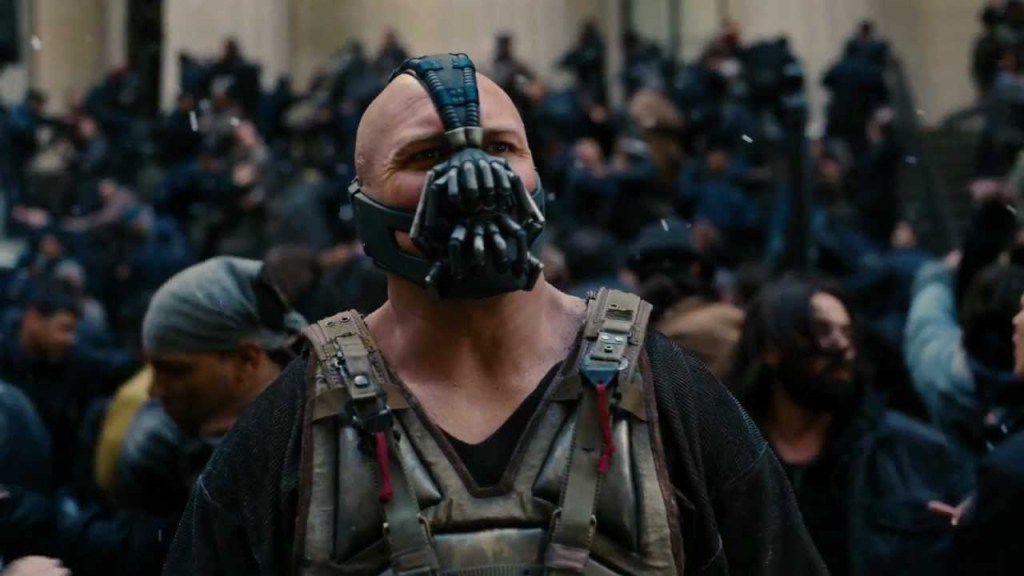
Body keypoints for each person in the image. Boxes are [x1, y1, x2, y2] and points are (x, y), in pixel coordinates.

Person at [164, 53, 825, 575]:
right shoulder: (295, 425)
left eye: (502, 149)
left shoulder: (668, 393)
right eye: (426, 156)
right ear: (365, 205)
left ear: (538, 177)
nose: (474, 175)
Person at [0, 257, 305, 576]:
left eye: (174, 370)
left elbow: (170, 550)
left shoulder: (286, 460)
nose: (154, 390)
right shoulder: (252, 438)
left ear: (247, 361)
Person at [730, 278, 969, 576]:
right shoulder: (723, 453)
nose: (843, 347)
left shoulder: (914, 452)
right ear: (770, 349)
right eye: (822, 331)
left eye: (847, 332)